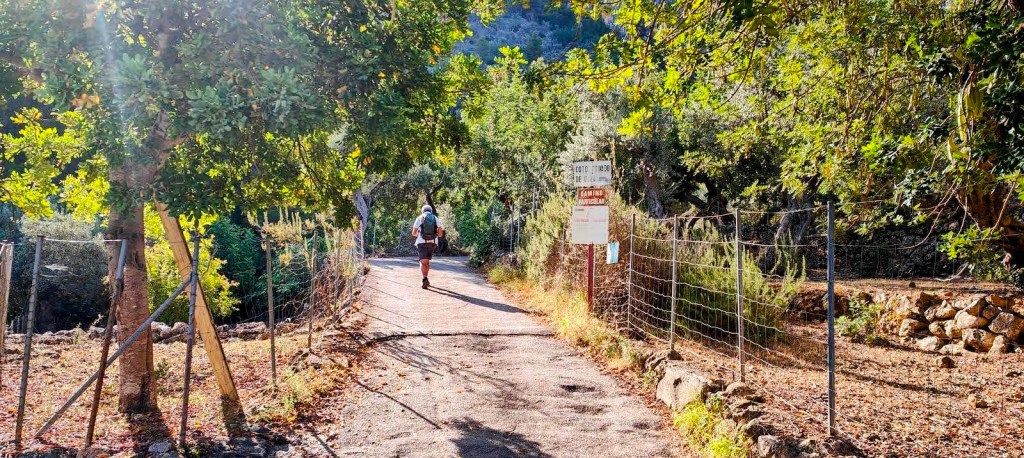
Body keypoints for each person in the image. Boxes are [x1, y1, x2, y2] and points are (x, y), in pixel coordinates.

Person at [411, 204, 444, 289]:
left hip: (422, 242)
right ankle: (426, 278)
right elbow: (440, 235)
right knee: (427, 261)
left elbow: (413, 233)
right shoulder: (436, 218)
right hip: (433, 243)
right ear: (431, 211)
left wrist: (420, 232)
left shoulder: (419, 218)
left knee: (423, 261)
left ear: (423, 211)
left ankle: (425, 278)